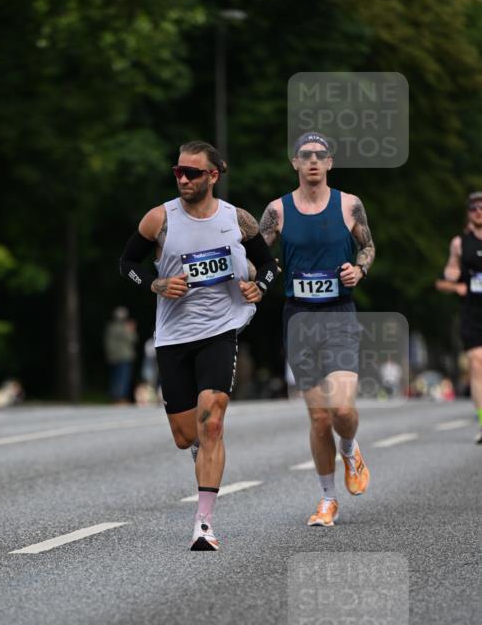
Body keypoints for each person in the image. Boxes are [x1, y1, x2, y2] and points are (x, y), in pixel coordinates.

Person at [119, 140, 279, 550]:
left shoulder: (236, 219)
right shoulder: (160, 219)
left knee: (213, 422)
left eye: (191, 172)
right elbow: (127, 265)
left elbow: (270, 266)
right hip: (173, 337)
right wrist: (156, 283)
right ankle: (200, 452)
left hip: (220, 330)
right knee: (184, 434)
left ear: (214, 175)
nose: (183, 179)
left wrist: (258, 287)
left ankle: (203, 525)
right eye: (178, 172)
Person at [258, 132, 376, 527]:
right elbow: (258, 255)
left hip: (340, 315)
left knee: (342, 409)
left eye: (319, 155)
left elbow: (368, 247)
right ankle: (327, 500)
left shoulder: (350, 204)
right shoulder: (277, 210)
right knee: (319, 417)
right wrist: (257, 280)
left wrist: (359, 269)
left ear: (330, 163)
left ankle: (350, 447)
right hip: (299, 319)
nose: (312, 161)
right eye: (305, 155)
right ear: (294, 163)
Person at [435, 191, 482, 443]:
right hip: (472, 312)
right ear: (468, 213)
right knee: (476, 363)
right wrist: (455, 284)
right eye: (474, 207)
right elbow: (445, 279)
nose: (478, 211)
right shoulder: (459, 243)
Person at [103, 307, 138, 404]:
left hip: (113, 357)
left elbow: (107, 343)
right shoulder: (125, 328)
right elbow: (133, 339)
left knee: (114, 378)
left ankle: (114, 398)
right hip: (125, 356)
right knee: (123, 378)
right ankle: (121, 398)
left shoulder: (111, 327)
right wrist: (132, 330)